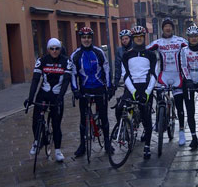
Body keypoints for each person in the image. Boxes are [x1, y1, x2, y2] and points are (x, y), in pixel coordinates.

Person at [24, 38, 72, 162]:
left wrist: (61, 97)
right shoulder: (42, 60)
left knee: (56, 124)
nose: (54, 51)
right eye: (52, 49)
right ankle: (36, 141)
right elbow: (35, 80)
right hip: (43, 94)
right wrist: (30, 98)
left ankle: (57, 151)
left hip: (57, 95)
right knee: (35, 120)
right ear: (48, 49)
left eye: (57, 48)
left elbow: (66, 81)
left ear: (60, 49)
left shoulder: (66, 61)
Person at [71, 27, 113, 156]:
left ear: (92, 38)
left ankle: (107, 143)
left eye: (89, 37)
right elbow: (72, 74)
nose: (86, 40)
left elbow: (106, 69)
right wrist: (75, 90)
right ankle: (82, 145)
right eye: (84, 37)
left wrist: (109, 86)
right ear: (80, 39)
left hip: (99, 88)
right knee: (83, 119)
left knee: (104, 116)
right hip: (84, 89)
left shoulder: (99, 52)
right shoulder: (76, 55)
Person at [146, 18, 188, 146]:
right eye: (166, 26)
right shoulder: (158, 42)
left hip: (177, 76)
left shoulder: (180, 41)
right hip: (163, 76)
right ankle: (159, 121)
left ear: (172, 28)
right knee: (159, 101)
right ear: (162, 28)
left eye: (170, 26)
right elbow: (144, 50)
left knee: (180, 105)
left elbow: (193, 46)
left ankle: (181, 131)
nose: (168, 28)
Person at [121, 25, 157, 159]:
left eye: (141, 37)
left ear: (144, 37)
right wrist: (133, 91)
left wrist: (148, 92)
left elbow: (154, 74)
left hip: (146, 88)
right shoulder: (127, 55)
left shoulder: (151, 54)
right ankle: (124, 128)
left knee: (146, 117)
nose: (139, 39)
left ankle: (147, 146)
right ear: (133, 38)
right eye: (136, 37)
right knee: (119, 108)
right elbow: (125, 75)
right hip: (132, 87)